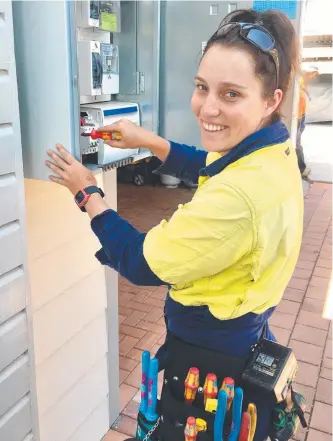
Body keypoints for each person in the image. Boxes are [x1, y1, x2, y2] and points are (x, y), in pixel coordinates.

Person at [45, 8, 304, 441]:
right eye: (202, 87)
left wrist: (87, 192)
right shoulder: (271, 153)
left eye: (232, 94)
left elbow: (139, 261)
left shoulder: (237, 199)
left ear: (272, 99)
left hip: (210, 358)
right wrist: (144, 139)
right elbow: (209, 164)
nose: (208, 107)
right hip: (247, 337)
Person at [296, 66, 319, 179]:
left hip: (301, 115)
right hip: (297, 117)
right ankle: (301, 169)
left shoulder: (302, 81)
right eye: (313, 74)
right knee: (297, 143)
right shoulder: (299, 78)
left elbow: (303, 89)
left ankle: (300, 168)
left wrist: (308, 95)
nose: (314, 77)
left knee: (298, 141)